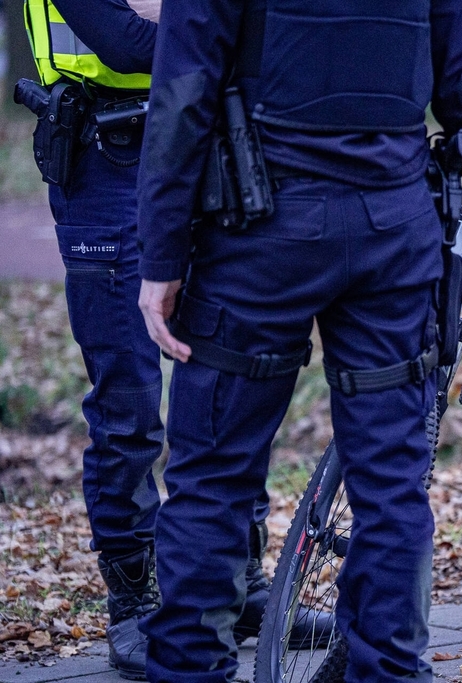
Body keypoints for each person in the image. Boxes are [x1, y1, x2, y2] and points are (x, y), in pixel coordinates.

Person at [135, 0, 462, 680]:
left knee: (213, 479)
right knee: (391, 483)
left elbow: (181, 97)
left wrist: (161, 258)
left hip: (259, 240)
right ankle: (389, 670)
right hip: (392, 236)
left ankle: (189, 670)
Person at [16, 1, 328, 678]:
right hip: (104, 158)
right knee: (127, 403)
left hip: (203, 142)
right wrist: (220, 32)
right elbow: (125, 42)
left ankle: (236, 586)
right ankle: (133, 602)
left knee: (227, 378)